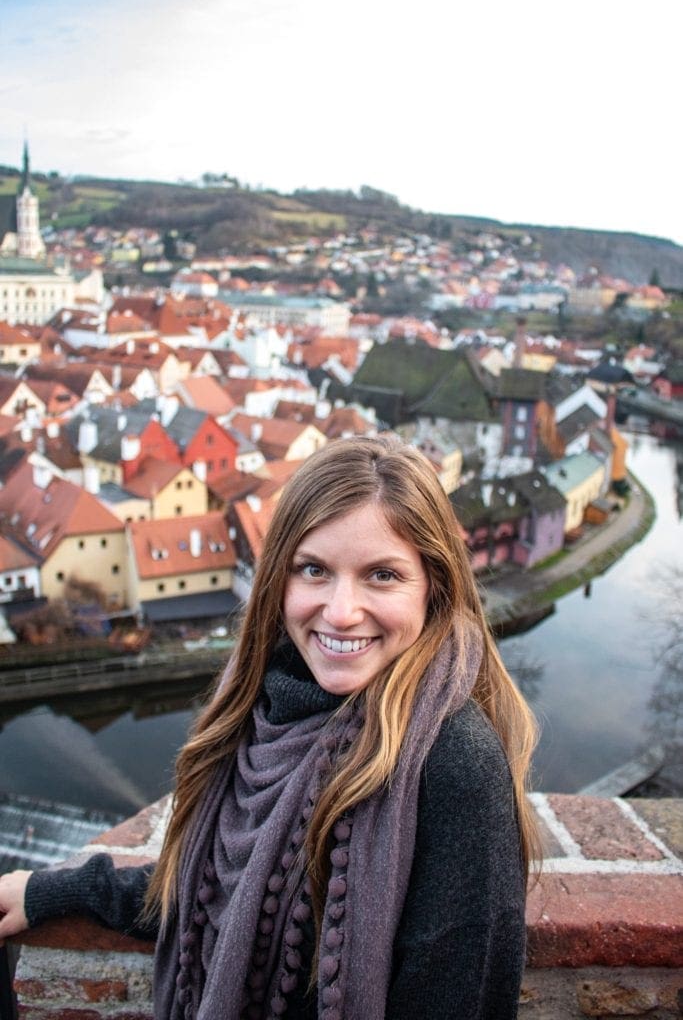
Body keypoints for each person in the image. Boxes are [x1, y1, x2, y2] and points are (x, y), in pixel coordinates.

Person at [0, 435, 539, 1019]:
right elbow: (212, 895)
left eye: (382, 575)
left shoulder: (454, 763)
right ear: (277, 580)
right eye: (314, 570)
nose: (340, 611)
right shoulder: (259, 707)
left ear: (434, 587)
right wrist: (57, 892)